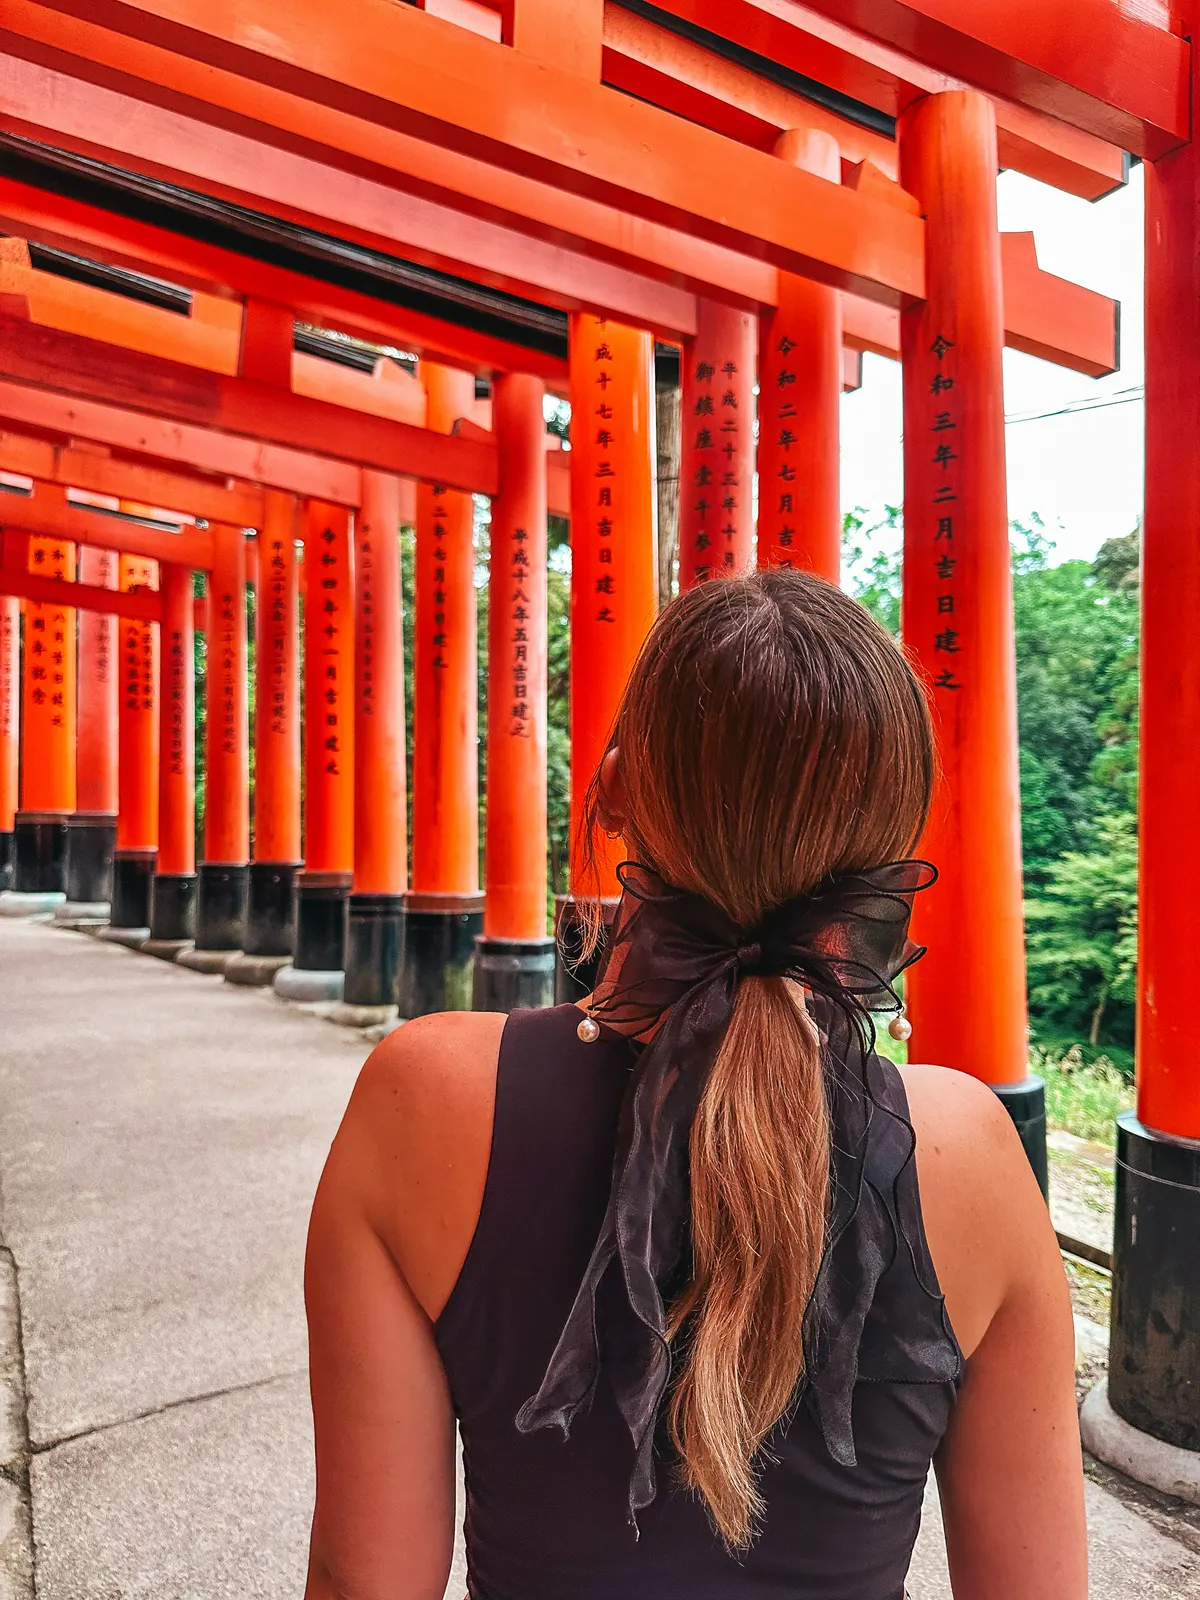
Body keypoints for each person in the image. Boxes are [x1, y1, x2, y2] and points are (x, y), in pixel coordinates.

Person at [305, 570, 1086, 1600]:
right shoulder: (966, 1154)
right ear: (892, 855)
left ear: (618, 788)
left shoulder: (424, 1100)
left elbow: (367, 1585)